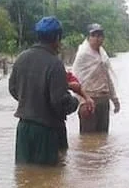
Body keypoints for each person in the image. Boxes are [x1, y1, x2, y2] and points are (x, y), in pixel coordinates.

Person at [9, 16, 80, 166]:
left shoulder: (21, 58)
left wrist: (30, 100)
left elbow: (13, 89)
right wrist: (75, 101)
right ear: (57, 37)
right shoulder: (55, 64)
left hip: (24, 129)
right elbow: (59, 102)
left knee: (26, 177)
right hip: (47, 131)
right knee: (50, 178)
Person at [71, 23, 120, 133]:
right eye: (94, 35)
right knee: (88, 140)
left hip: (103, 99)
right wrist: (82, 101)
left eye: (100, 35)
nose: (98, 39)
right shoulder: (83, 54)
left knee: (102, 138)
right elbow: (74, 79)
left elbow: (107, 78)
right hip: (88, 100)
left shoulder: (103, 54)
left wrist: (114, 99)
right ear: (88, 38)